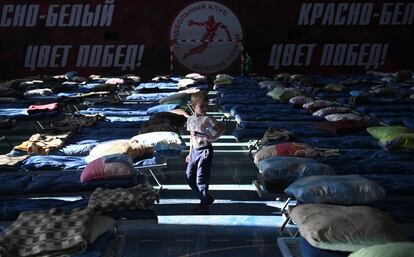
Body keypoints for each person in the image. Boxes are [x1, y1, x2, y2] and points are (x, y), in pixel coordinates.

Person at [186, 91, 225, 213]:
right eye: (202, 106)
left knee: (201, 178)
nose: (205, 108)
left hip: (205, 151)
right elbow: (191, 137)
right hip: (194, 151)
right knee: (189, 176)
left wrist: (213, 138)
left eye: (206, 106)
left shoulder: (208, 118)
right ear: (193, 105)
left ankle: (204, 205)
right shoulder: (190, 120)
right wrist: (190, 152)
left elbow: (222, 129)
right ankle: (206, 198)